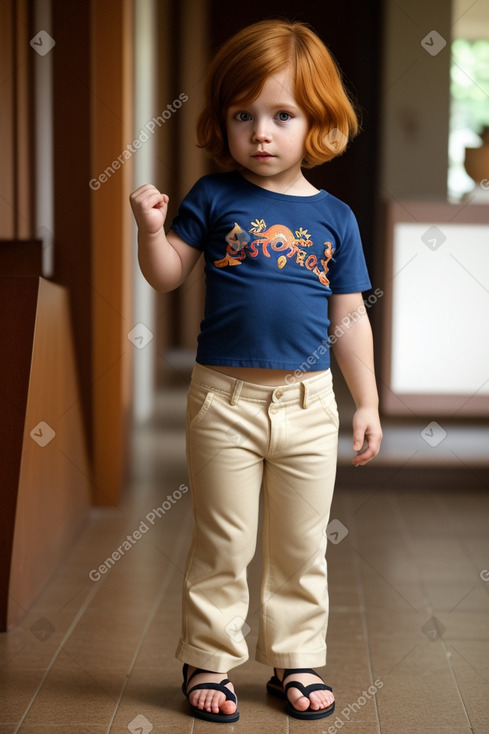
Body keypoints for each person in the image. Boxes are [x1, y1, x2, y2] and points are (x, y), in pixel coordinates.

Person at [130, 18, 382, 724]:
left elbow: (349, 317)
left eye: (281, 115)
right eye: (243, 116)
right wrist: (153, 231)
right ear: (222, 120)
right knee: (224, 539)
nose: (260, 133)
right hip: (223, 403)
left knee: (301, 547)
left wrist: (364, 401)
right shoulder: (212, 197)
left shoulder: (335, 218)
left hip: (308, 406)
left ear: (317, 123)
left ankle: (294, 659)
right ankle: (208, 658)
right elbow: (167, 276)